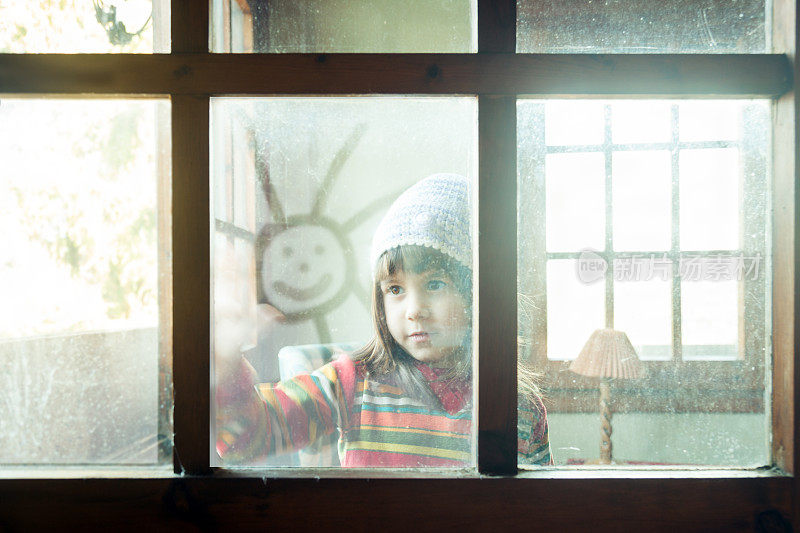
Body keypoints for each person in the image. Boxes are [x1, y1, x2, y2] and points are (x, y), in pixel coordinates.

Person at [216, 173, 552, 467]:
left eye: (435, 284)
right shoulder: (350, 381)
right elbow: (248, 440)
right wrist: (226, 365)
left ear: (478, 293)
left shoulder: (519, 404)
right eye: (395, 289)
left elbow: (539, 509)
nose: (413, 309)